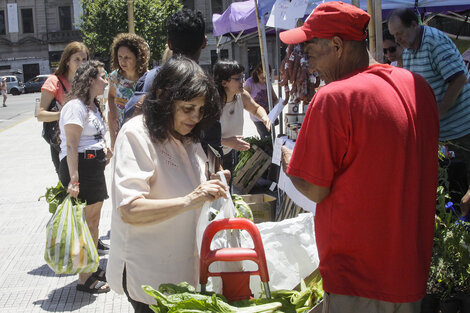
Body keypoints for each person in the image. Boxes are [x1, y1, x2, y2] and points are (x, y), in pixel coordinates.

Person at [279, 2, 439, 312]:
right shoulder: (417, 87)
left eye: (311, 54)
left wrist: (289, 163)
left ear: (337, 46)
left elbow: (315, 188)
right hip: (410, 275)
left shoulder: (334, 98)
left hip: (359, 279)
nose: (310, 66)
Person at [107, 56, 227, 313]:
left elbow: (192, 184)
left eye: (201, 110)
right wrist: (190, 200)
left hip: (183, 272)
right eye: (187, 108)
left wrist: (211, 183)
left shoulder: (187, 136)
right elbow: (130, 209)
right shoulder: (135, 135)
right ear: (163, 97)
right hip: (150, 276)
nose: (195, 117)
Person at [388, 8, 470, 218]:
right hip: (440, 133)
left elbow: (459, 79)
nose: (398, 40)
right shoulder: (408, 49)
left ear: (415, 25)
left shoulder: (434, 43)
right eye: (394, 36)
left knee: (463, 192)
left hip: (462, 130)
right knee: (447, 186)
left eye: (401, 34)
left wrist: (437, 113)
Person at [122, 9, 224, 158]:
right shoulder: (208, 89)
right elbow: (212, 146)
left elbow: (128, 121)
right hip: (194, 175)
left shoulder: (149, 80)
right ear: (204, 42)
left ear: (169, 44)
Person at [58, 60, 111, 294]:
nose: (106, 81)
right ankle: (84, 279)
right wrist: (74, 179)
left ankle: (92, 266)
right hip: (81, 167)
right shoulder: (75, 106)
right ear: (90, 80)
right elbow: (71, 144)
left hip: (92, 166)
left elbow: (93, 135)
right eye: (102, 77)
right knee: (88, 224)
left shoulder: (93, 105)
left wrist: (104, 149)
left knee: (94, 222)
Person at [37, 42, 89, 175]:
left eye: (84, 59)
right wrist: (63, 114)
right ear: (67, 61)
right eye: (76, 59)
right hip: (61, 142)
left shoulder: (87, 82)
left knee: (87, 182)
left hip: (85, 139)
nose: (81, 63)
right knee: (67, 182)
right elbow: (40, 114)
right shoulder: (54, 81)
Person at [213, 59, 271, 177]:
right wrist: (227, 142)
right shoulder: (212, 102)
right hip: (211, 156)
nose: (243, 81)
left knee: (227, 190)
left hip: (229, 152)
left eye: (243, 77)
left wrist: (264, 117)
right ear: (224, 82)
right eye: (238, 78)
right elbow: (201, 137)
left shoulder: (242, 95)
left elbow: (255, 108)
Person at [108, 33, 149, 149]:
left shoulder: (147, 78)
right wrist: (113, 114)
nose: (122, 61)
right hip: (121, 131)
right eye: (120, 57)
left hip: (141, 132)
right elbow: (111, 96)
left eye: (127, 57)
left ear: (138, 57)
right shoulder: (114, 77)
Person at [244, 63, 278, 138]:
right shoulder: (249, 83)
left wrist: (274, 108)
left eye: (266, 77)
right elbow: (244, 100)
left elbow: (275, 99)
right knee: (265, 137)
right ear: (257, 73)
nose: (264, 80)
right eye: (262, 77)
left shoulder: (267, 82)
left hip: (269, 114)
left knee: (272, 136)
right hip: (257, 117)